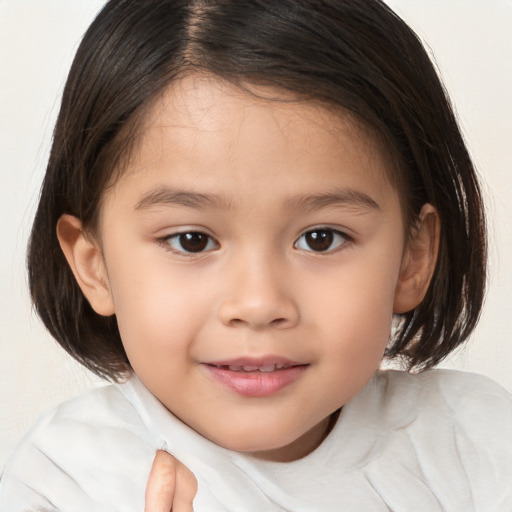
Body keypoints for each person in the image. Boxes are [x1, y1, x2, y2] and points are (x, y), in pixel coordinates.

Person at [1, 0, 510, 510]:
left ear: (411, 258)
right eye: (192, 240)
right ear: (95, 266)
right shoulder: (65, 480)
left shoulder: (474, 441)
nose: (259, 302)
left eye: (321, 238)